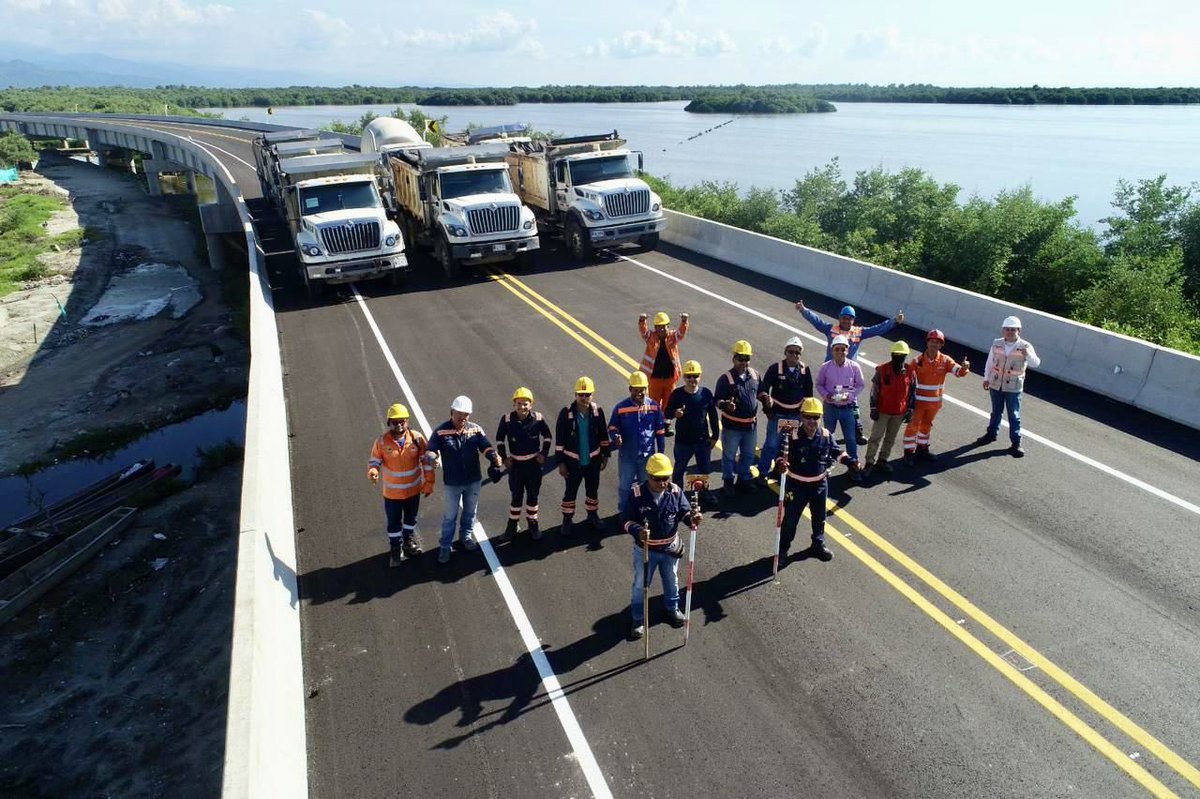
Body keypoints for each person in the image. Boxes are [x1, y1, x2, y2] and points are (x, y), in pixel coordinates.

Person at [795, 299, 905, 444]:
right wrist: (803, 310)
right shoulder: (831, 329)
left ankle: (857, 432)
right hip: (832, 375)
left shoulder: (858, 332)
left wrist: (894, 321)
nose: (846, 321)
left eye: (849, 318)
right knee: (830, 403)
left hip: (849, 376)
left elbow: (877, 329)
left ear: (853, 320)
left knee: (853, 404)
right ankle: (827, 436)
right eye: (844, 317)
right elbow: (817, 321)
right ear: (839, 318)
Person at [622, 453, 702, 639]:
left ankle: (672, 609)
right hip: (646, 550)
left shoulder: (675, 491)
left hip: (669, 549)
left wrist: (692, 520)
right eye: (657, 479)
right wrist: (638, 531)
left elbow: (684, 513)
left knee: (672, 582)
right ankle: (638, 619)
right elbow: (625, 520)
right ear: (648, 475)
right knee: (641, 586)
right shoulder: (636, 494)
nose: (662, 483)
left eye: (666, 478)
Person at [775, 398, 858, 566]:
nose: (812, 421)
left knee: (819, 518)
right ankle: (782, 550)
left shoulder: (826, 435)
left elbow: (836, 452)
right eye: (808, 417)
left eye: (816, 417)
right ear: (801, 417)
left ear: (821, 418)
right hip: (797, 486)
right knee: (790, 521)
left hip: (819, 485)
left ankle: (817, 544)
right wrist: (780, 464)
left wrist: (851, 462)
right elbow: (779, 456)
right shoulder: (791, 435)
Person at [427, 395, 503, 564]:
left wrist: (494, 457)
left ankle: (465, 536)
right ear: (452, 412)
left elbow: (485, 446)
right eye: (459, 413)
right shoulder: (441, 431)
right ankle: (445, 546)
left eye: (466, 414)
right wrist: (432, 458)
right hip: (452, 483)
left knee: (470, 512)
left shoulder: (475, 429)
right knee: (450, 516)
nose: (463, 417)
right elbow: (431, 449)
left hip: (473, 480)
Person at [367, 403, 433, 567]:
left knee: (411, 519)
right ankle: (395, 549)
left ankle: (408, 542)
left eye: (402, 421)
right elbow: (374, 460)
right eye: (395, 422)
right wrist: (373, 471)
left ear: (407, 421)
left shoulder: (417, 439)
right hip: (392, 494)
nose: (399, 425)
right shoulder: (382, 442)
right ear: (389, 422)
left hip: (413, 491)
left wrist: (429, 482)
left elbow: (426, 462)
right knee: (394, 522)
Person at [902, 330, 970, 464]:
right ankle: (908, 453)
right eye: (932, 341)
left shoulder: (945, 360)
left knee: (926, 425)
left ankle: (922, 449)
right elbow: (907, 381)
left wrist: (964, 368)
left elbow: (959, 372)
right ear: (927, 342)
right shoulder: (917, 361)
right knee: (913, 426)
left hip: (934, 404)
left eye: (937, 342)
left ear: (941, 345)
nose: (934, 344)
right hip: (918, 403)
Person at [495, 387, 553, 542]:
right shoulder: (507, 419)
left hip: (533, 466)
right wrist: (504, 458)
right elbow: (500, 440)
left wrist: (544, 454)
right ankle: (512, 526)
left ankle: (533, 524)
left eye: (525, 404)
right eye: (519, 403)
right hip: (516, 467)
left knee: (533, 496)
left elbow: (547, 436)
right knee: (516, 497)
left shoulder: (538, 418)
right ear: (514, 404)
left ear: (531, 404)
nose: (522, 407)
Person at [978, 315, 1041, 457]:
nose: (1010, 332)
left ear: (1019, 331)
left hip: (1013, 387)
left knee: (1014, 415)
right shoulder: (997, 343)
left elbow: (1036, 363)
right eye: (1007, 329)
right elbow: (990, 362)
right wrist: (986, 378)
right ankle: (991, 434)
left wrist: (1028, 355)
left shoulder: (1025, 346)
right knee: (996, 412)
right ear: (1003, 330)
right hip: (996, 384)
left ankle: (1016, 443)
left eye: (1013, 329)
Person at [555, 377, 611, 535]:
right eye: (581, 394)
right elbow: (559, 440)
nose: (584, 398)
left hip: (593, 461)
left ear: (592, 395)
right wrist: (561, 463)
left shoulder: (597, 412)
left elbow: (603, 435)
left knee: (592, 490)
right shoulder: (566, 413)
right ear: (575, 394)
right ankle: (567, 519)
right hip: (573, 463)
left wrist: (606, 456)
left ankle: (592, 515)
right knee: (570, 492)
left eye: (587, 394)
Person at [755, 336, 813, 486]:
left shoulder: (805, 370)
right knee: (771, 445)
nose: (794, 355)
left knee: (789, 446)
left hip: (795, 416)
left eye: (797, 353)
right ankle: (763, 472)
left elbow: (808, 393)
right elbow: (763, 389)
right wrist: (767, 408)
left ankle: (782, 470)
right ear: (785, 352)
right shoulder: (775, 369)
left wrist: (805, 415)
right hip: (777, 415)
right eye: (791, 352)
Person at [609, 370, 667, 513]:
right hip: (627, 456)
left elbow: (660, 432)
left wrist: (661, 453)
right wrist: (615, 436)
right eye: (636, 390)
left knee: (647, 486)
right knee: (625, 487)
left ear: (646, 389)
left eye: (642, 390)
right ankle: (623, 513)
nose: (639, 393)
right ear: (630, 389)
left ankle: (645, 512)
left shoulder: (654, 407)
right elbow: (612, 427)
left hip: (647, 457)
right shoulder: (621, 408)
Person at [815, 335, 866, 481]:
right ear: (832, 350)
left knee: (850, 438)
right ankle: (827, 463)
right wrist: (826, 395)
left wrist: (850, 396)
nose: (840, 352)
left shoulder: (854, 367)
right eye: (837, 349)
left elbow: (860, 384)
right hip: (830, 407)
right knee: (828, 436)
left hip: (847, 408)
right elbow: (819, 384)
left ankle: (853, 466)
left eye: (843, 349)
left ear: (847, 350)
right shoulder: (825, 367)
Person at [713, 340, 760, 496]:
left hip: (750, 427)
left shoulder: (755, 375)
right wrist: (725, 405)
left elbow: (761, 391)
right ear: (734, 358)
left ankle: (743, 479)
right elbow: (716, 400)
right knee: (729, 456)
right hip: (732, 427)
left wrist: (766, 399)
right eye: (740, 358)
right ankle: (728, 481)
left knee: (748, 455)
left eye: (747, 359)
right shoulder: (725, 379)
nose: (744, 362)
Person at [664, 360, 719, 487]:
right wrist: (675, 413)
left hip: (702, 441)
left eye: (695, 376)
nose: (692, 379)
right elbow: (667, 413)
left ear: (700, 376)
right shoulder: (677, 394)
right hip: (683, 442)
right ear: (684, 377)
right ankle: (677, 493)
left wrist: (715, 436)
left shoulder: (705, 393)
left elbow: (713, 416)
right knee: (679, 470)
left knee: (703, 470)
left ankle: (701, 494)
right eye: (689, 376)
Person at [864, 341, 915, 475]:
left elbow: (913, 391)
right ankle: (869, 462)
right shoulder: (882, 370)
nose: (899, 357)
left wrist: (911, 409)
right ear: (892, 354)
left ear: (906, 356)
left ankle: (883, 459)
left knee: (890, 439)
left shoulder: (910, 372)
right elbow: (874, 390)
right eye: (896, 354)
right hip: (882, 411)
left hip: (899, 412)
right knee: (875, 437)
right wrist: (873, 408)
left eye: (902, 355)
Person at [638, 311, 689, 436]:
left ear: (668, 326)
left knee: (668, 401)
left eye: (663, 326)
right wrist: (642, 321)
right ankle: (655, 424)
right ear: (655, 327)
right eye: (658, 327)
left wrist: (684, 322)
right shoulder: (651, 337)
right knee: (654, 402)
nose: (661, 329)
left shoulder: (672, 337)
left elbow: (681, 333)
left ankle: (666, 425)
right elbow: (644, 332)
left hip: (670, 378)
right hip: (654, 378)